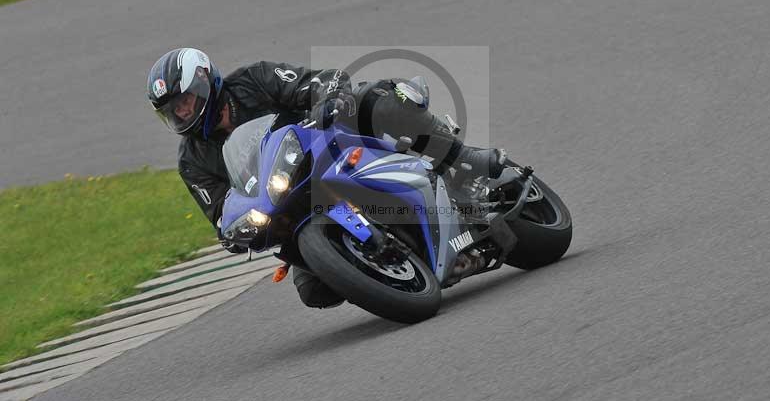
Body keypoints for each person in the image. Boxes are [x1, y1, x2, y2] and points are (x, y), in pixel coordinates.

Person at [146, 47, 505, 308]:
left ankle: (462, 157)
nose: (182, 112)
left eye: (185, 100)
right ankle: (389, 270)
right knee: (315, 292)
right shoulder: (192, 162)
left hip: (326, 149)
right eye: (173, 110)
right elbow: (222, 213)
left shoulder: (254, 80)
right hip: (288, 203)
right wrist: (234, 231)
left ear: (204, 82)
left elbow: (318, 82)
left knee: (375, 99)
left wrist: (328, 99)